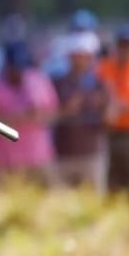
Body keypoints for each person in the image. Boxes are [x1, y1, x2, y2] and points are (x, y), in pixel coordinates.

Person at [0, 42, 59, 185]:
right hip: (8, 161)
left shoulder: (38, 80)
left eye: (21, 67)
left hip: (38, 156)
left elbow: (52, 114)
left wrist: (35, 116)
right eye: (14, 68)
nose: (18, 72)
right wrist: (22, 117)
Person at [51, 31, 110, 193]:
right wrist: (67, 110)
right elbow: (48, 116)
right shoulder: (57, 83)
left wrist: (103, 107)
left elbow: (110, 119)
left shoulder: (100, 84)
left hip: (92, 154)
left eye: (84, 56)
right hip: (63, 155)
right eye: (76, 55)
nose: (80, 60)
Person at [98, 25, 129, 193]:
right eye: (122, 45)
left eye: (128, 46)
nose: (124, 50)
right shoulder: (106, 67)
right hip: (108, 133)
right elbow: (100, 93)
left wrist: (124, 107)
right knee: (111, 182)